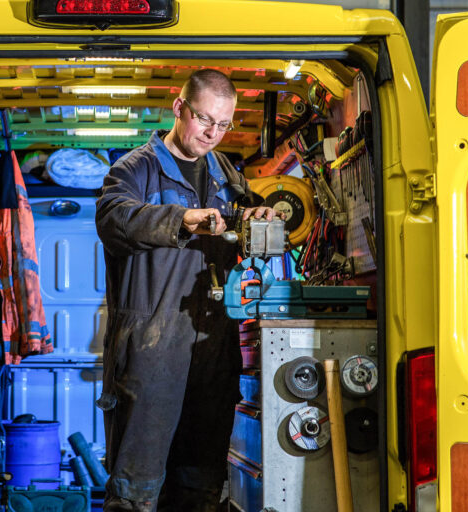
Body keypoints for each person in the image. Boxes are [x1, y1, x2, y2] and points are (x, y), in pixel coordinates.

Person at [95, 69, 279, 512]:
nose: (213, 133)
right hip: (151, 350)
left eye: (224, 124)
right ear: (180, 109)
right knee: (137, 490)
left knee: (200, 486)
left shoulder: (226, 175)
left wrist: (259, 216)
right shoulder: (136, 167)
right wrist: (180, 219)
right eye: (204, 120)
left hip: (212, 350)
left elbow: (245, 219)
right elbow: (114, 218)